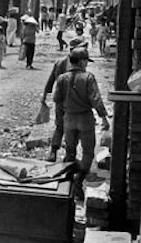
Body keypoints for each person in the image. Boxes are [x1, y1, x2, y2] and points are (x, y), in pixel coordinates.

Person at [52, 48, 110, 199]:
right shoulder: (88, 77)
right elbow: (95, 98)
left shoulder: (62, 78)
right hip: (85, 118)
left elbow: (57, 99)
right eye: (86, 61)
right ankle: (79, 181)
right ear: (82, 61)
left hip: (69, 118)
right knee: (88, 152)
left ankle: (67, 186)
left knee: (70, 151)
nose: (87, 64)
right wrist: (103, 117)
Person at [41, 38, 88, 162]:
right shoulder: (76, 65)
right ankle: (69, 155)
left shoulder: (60, 62)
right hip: (71, 102)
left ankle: (53, 152)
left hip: (61, 100)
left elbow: (51, 81)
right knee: (71, 129)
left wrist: (45, 96)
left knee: (60, 127)